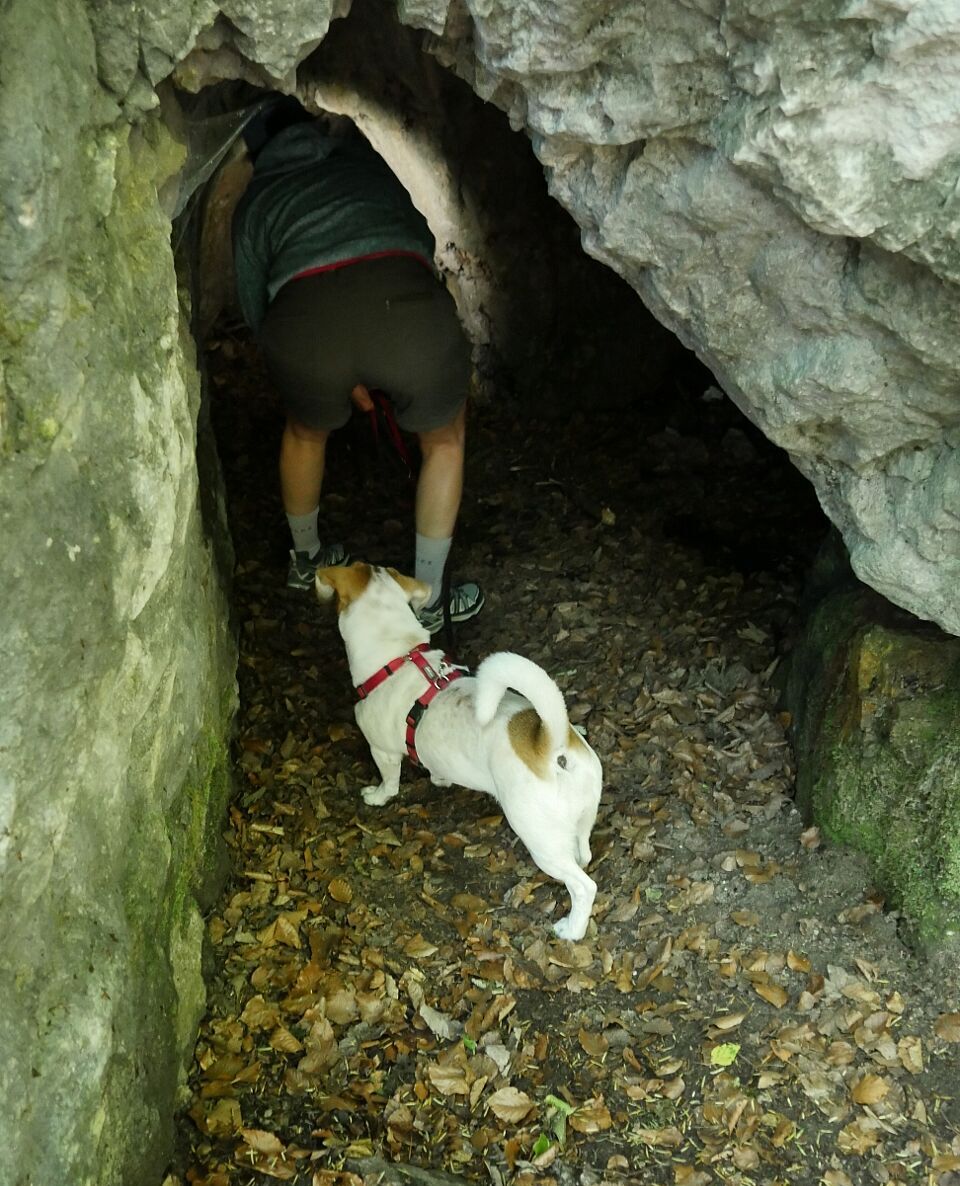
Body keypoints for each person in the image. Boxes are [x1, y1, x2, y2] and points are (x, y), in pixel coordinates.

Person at [231, 97, 483, 634]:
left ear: (258, 150)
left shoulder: (257, 199)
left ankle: (306, 563)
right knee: (444, 439)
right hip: (404, 306)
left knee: (305, 431)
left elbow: (257, 312)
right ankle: (429, 600)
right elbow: (417, 239)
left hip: (305, 326)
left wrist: (320, 372)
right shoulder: (365, 164)